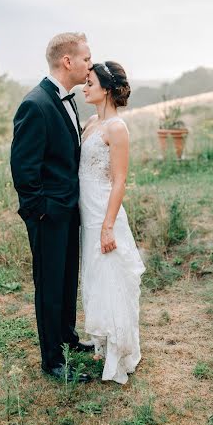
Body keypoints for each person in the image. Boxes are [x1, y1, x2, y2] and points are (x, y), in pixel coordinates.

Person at [10, 32, 93, 382]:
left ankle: (67, 338)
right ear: (68, 62)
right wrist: (40, 211)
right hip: (48, 215)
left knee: (66, 280)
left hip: (68, 210)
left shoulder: (66, 100)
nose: (91, 65)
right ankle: (52, 362)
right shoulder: (36, 104)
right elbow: (24, 169)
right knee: (49, 286)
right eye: (86, 59)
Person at [79, 61, 145, 384]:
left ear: (106, 89)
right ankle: (103, 343)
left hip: (105, 212)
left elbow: (119, 181)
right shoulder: (91, 122)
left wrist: (108, 225)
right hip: (87, 212)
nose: (84, 87)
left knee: (114, 277)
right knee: (96, 277)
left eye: (89, 83)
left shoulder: (117, 128)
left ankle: (120, 354)